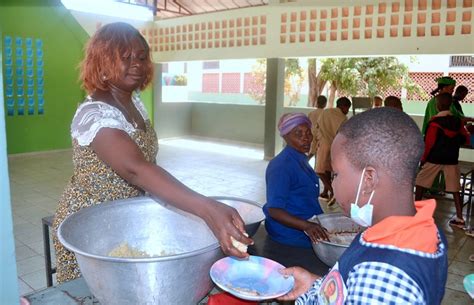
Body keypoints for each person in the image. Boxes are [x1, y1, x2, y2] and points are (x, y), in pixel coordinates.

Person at [52, 22, 251, 283]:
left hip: (124, 218)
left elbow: (150, 164)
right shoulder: (94, 115)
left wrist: (177, 200)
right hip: (91, 228)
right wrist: (207, 208)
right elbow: (136, 169)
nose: (136, 63)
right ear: (101, 64)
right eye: (125, 57)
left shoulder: (133, 102)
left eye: (141, 57)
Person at [279, 107, 448, 305]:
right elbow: (352, 291)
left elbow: (371, 289)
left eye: (336, 174)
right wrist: (317, 285)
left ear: (368, 179)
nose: (332, 184)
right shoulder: (425, 232)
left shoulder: (381, 279)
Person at [263, 113, 327, 249]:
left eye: (308, 133)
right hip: (290, 234)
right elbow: (274, 210)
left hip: (308, 224)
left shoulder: (300, 159)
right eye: (298, 134)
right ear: (286, 136)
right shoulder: (281, 166)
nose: (306, 139)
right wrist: (307, 226)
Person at [415, 93, 470, 228]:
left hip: (434, 158)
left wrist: (423, 159)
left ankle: (415, 211)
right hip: (451, 160)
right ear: (450, 105)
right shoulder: (458, 122)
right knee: (455, 188)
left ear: (437, 106)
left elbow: (429, 144)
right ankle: (459, 218)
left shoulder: (434, 123)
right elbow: (466, 139)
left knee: (420, 183)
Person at [315, 97, 351, 204]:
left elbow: (318, 126)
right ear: (343, 106)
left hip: (323, 143)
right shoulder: (343, 118)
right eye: (347, 108)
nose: (347, 111)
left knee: (325, 169)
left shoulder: (326, 112)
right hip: (334, 145)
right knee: (322, 170)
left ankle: (327, 192)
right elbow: (342, 133)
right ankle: (333, 191)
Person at [307, 95, 327, 161]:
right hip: (321, 136)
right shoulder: (326, 114)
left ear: (317, 103)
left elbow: (308, 124)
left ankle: (304, 163)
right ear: (325, 104)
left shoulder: (311, 113)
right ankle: (315, 168)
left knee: (312, 152)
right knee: (318, 155)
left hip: (312, 134)